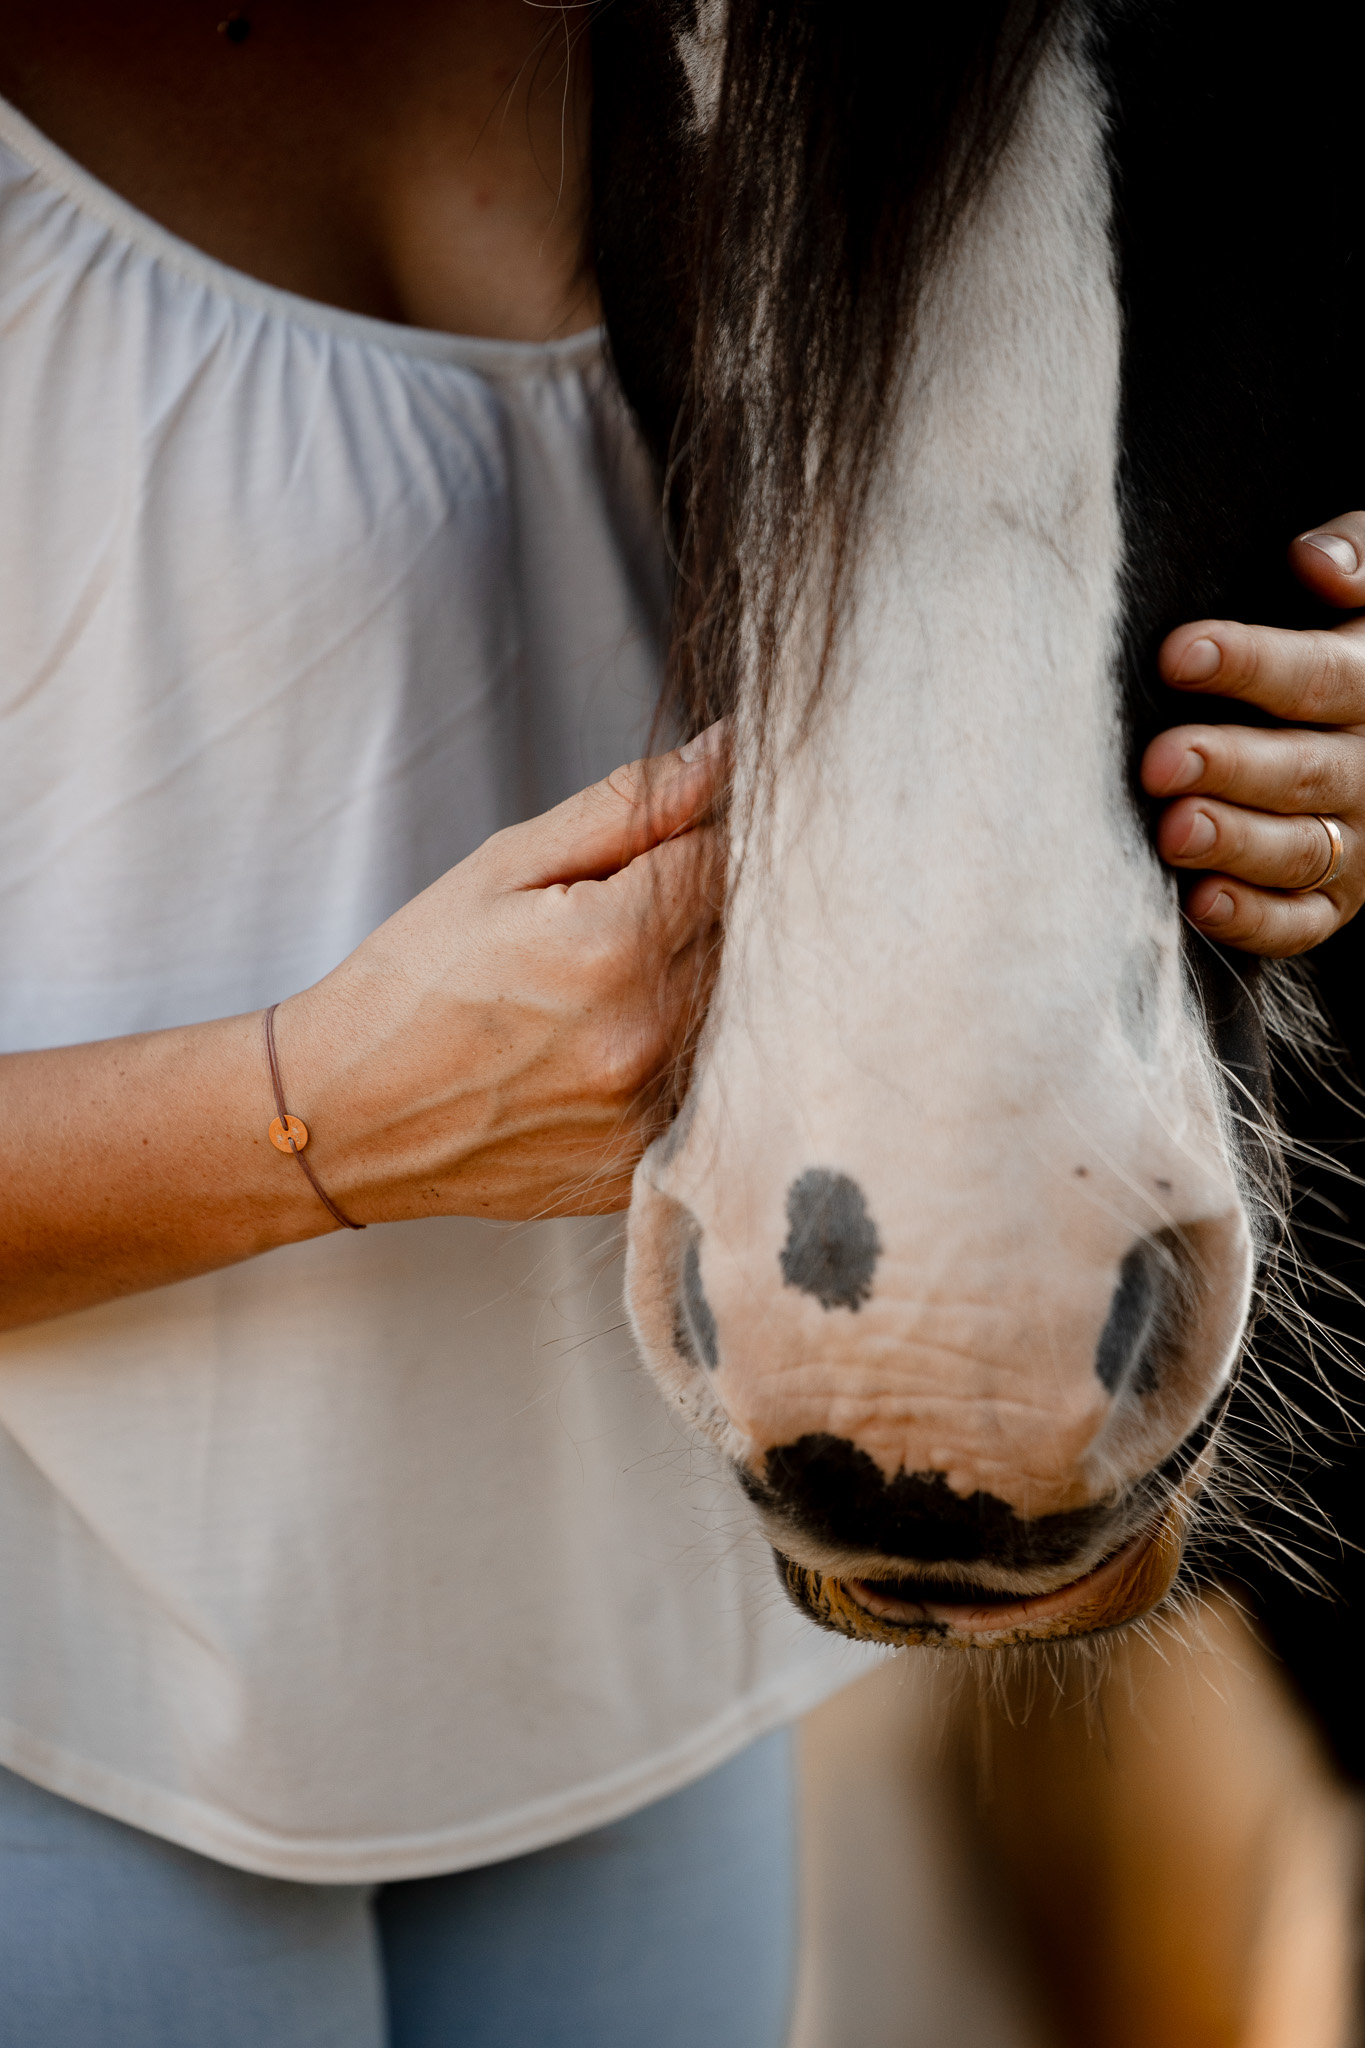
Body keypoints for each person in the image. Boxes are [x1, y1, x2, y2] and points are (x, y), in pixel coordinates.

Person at [0, 7, 1361, 2041]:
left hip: (637, 1666)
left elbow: (1048, 539)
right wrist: (308, 1122)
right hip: (69, 1695)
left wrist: (1303, 720)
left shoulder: (791, 52)